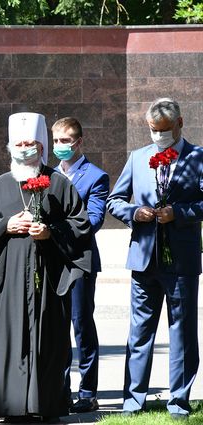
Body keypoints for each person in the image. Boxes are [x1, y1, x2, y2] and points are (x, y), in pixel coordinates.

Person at [0, 112, 92, 422]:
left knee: (48, 338)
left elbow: (80, 225)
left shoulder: (59, 183)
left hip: (46, 275)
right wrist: (6, 225)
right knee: (11, 337)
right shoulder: (0, 184)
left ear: (41, 146)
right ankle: (10, 404)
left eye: (30, 143)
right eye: (19, 143)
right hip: (10, 276)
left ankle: (47, 403)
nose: (24, 148)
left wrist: (51, 231)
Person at [107, 98, 203, 420]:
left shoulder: (198, 158)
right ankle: (133, 402)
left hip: (182, 262)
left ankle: (178, 401)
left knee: (182, 333)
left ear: (179, 123)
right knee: (139, 334)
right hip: (144, 260)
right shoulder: (137, 159)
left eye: (163, 130)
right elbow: (114, 200)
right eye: (152, 130)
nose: (158, 135)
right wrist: (135, 212)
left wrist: (179, 212)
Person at [52, 117, 109, 413]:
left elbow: (94, 220)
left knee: (81, 324)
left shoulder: (95, 177)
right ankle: (60, 389)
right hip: (51, 262)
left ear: (79, 142)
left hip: (80, 261)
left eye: (66, 141)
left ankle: (87, 391)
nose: (60, 147)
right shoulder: (46, 175)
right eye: (56, 141)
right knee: (55, 326)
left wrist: (55, 229)